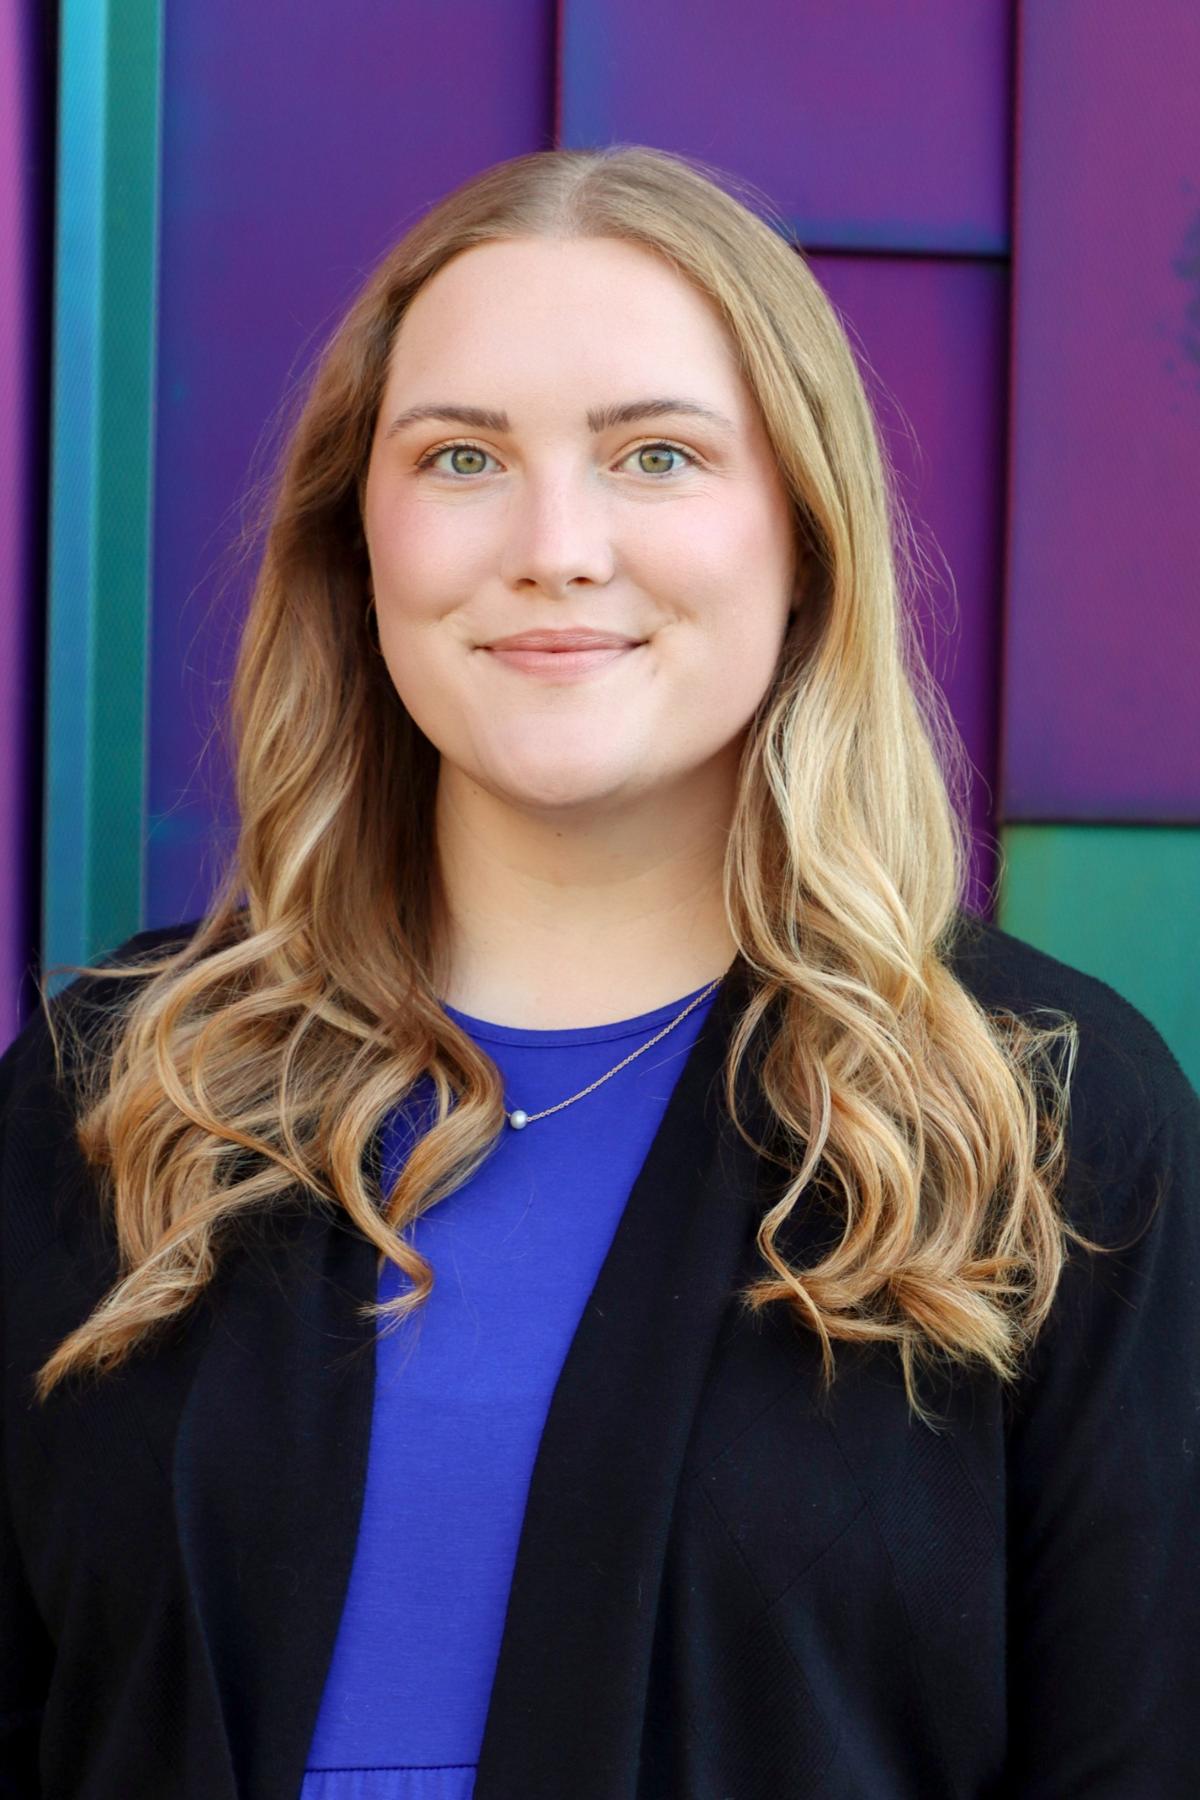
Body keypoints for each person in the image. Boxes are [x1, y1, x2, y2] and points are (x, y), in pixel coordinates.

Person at [1, 144, 1197, 1800]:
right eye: (464, 456)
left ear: (803, 535)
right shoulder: (124, 1087)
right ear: (362, 538)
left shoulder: (1042, 1110)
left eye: (654, 454)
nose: (556, 546)